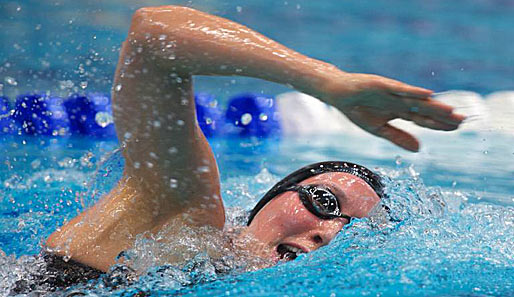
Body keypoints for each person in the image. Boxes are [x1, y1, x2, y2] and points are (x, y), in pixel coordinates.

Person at [44, 5, 464, 275]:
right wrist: (326, 82)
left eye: (355, 231)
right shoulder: (180, 220)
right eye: (326, 203)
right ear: (267, 201)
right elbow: (152, 37)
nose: (330, 234)